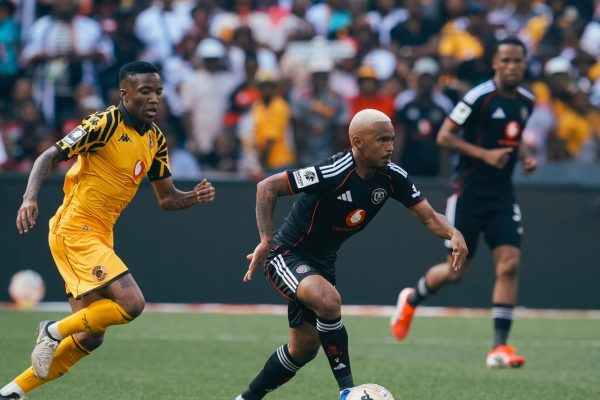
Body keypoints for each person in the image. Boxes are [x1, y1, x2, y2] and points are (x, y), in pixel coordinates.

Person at [1, 61, 216, 400]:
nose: (154, 99)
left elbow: (167, 198)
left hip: (100, 234)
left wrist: (192, 197)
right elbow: (48, 157)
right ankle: (52, 330)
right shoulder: (103, 124)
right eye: (145, 91)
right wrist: (29, 198)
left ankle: (12, 392)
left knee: (91, 335)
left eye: (158, 92)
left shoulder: (156, 139)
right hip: (75, 229)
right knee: (132, 303)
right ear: (124, 93)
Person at [234, 108, 468, 400]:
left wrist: (453, 233)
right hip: (288, 254)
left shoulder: (392, 176)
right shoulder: (332, 172)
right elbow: (266, 187)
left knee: (303, 349)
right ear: (357, 141)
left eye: (392, 139)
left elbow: (430, 217)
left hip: (322, 264)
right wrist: (266, 240)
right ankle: (348, 392)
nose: (390, 147)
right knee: (329, 300)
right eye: (382, 139)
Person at [390, 37, 537, 369]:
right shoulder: (478, 97)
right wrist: (485, 155)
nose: (513, 66)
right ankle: (412, 298)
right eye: (506, 60)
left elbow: (514, 138)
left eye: (518, 60)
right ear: (495, 64)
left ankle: (499, 347)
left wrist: (525, 157)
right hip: (467, 193)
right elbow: (444, 136)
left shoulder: (527, 101)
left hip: (502, 194)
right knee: (456, 273)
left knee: (509, 265)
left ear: (525, 64)